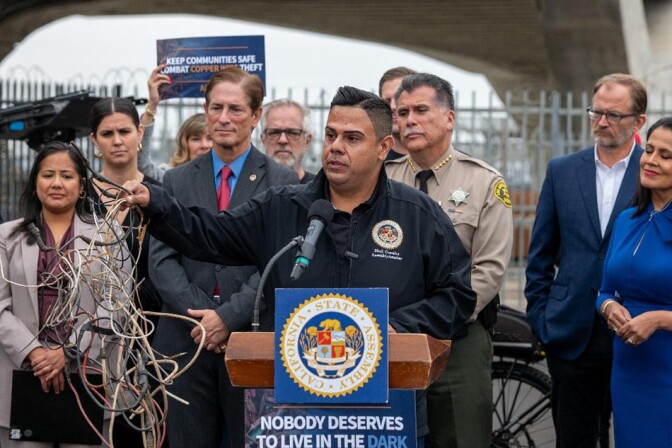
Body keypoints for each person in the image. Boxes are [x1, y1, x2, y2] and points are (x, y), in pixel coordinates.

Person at [123, 85, 477, 447]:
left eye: (352, 138)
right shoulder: (282, 207)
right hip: (292, 416)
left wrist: (398, 326)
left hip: (383, 415)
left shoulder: (417, 216)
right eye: (330, 134)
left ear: (383, 148)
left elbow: (456, 295)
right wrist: (157, 203)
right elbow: (210, 234)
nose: (336, 146)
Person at [147, 66, 298, 448]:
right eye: (216, 108)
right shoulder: (177, 180)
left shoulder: (282, 181)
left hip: (251, 339)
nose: (223, 118)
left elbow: (278, 264)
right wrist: (204, 320)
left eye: (235, 109)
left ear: (256, 116)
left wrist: (228, 318)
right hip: (184, 342)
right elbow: (162, 261)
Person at [386, 73, 513, 448]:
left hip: (457, 336)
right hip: (390, 335)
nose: (409, 120)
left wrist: (430, 317)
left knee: (460, 437)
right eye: (403, 112)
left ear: (449, 118)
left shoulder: (483, 183)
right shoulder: (384, 179)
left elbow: (487, 272)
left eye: (421, 110)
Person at [525, 73, 647, 448]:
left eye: (614, 115)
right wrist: (542, 319)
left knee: (633, 435)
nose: (602, 121)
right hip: (570, 330)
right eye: (596, 112)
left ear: (639, 121)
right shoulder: (562, 170)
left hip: (634, 329)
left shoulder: (654, 171)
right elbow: (540, 254)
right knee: (574, 438)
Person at [0, 142, 126, 447]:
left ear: (82, 185)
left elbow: (117, 306)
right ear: (35, 183)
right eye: (48, 175)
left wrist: (67, 352)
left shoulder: (107, 236)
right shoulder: (7, 236)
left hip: (88, 377)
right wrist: (35, 354)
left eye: (67, 176)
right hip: (21, 375)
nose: (57, 183)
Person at [87, 97, 163, 446]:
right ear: (94, 140)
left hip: (151, 332)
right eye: (107, 133)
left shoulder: (160, 194)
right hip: (89, 334)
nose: (117, 140)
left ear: (140, 133)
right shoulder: (80, 195)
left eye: (124, 131)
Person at [596, 117, 672, 448]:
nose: (651, 160)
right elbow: (604, 290)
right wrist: (609, 306)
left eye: (666, 155)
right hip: (628, 369)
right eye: (650, 149)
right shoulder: (627, 219)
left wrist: (658, 319)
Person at [136, 65, 213, 182]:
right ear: (184, 143)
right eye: (196, 139)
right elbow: (143, 166)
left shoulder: (231, 177)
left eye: (210, 138)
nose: (204, 145)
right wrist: (152, 104)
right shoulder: (172, 177)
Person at [260, 98, 316, 183]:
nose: (283, 140)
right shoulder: (246, 190)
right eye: (274, 132)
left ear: (307, 141)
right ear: (263, 140)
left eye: (292, 133)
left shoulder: (324, 191)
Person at [378, 66, 417, 160]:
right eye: (387, 101)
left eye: (398, 99)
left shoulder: (446, 161)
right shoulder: (371, 164)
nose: (392, 107)